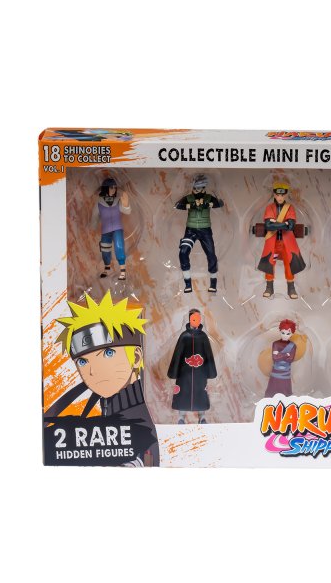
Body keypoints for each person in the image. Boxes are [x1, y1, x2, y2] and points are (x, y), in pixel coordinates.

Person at [47, 291, 158, 466]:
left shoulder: (140, 423)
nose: (93, 371)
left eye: (108, 353)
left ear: (136, 357)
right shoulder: (106, 409)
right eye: (82, 361)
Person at [256, 177, 306, 299]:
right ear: (274, 194)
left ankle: (291, 288)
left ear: (286, 195)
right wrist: (284, 224)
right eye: (278, 194)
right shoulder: (270, 207)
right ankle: (269, 287)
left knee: (289, 264)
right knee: (270, 263)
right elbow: (268, 225)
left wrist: (276, 223)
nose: (280, 197)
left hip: (286, 243)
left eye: (282, 195)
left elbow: (291, 226)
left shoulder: (290, 208)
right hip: (273, 243)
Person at [167, 308, 218, 424]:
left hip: (200, 373)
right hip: (184, 373)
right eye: (194, 318)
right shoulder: (184, 336)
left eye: (198, 318)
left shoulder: (203, 337)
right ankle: (181, 417)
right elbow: (177, 354)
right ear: (190, 319)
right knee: (182, 394)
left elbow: (209, 355)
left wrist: (211, 371)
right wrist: (174, 371)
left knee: (201, 394)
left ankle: (202, 417)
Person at [175, 174, 224, 293]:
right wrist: (191, 205)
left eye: (201, 187)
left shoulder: (208, 198)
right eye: (196, 187)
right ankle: (188, 284)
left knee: (211, 255)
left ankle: (213, 283)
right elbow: (177, 205)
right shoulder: (189, 198)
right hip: (191, 230)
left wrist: (209, 204)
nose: (198, 190)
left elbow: (220, 203)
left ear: (204, 187)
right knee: (183, 252)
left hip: (205, 230)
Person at [93, 177, 131, 280]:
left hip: (117, 228)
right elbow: (94, 216)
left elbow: (127, 211)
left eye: (114, 187)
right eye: (111, 187)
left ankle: (123, 272)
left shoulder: (118, 200)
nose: (113, 189)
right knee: (105, 250)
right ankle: (106, 269)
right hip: (105, 230)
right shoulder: (99, 202)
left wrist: (126, 205)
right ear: (106, 188)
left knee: (119, 247)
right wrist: (92, 227)